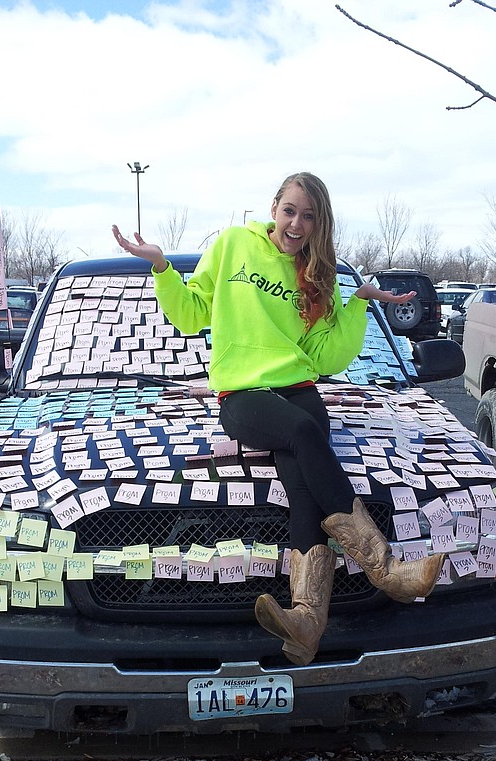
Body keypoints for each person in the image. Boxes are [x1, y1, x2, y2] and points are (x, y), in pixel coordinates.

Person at [112, 172, 444, 666]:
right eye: (290, 210)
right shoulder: (231, 245)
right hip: (244, 392)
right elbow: (190, 314)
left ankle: (306, 623)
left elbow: (325, 357)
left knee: (303, 489)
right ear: (274, 207)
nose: (297, 223)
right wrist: (161, 266)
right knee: (304, 432)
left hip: (300, 388)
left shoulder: (314, 275)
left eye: (309, 216)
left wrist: (357, 304)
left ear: (318, 224)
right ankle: (386, 568)